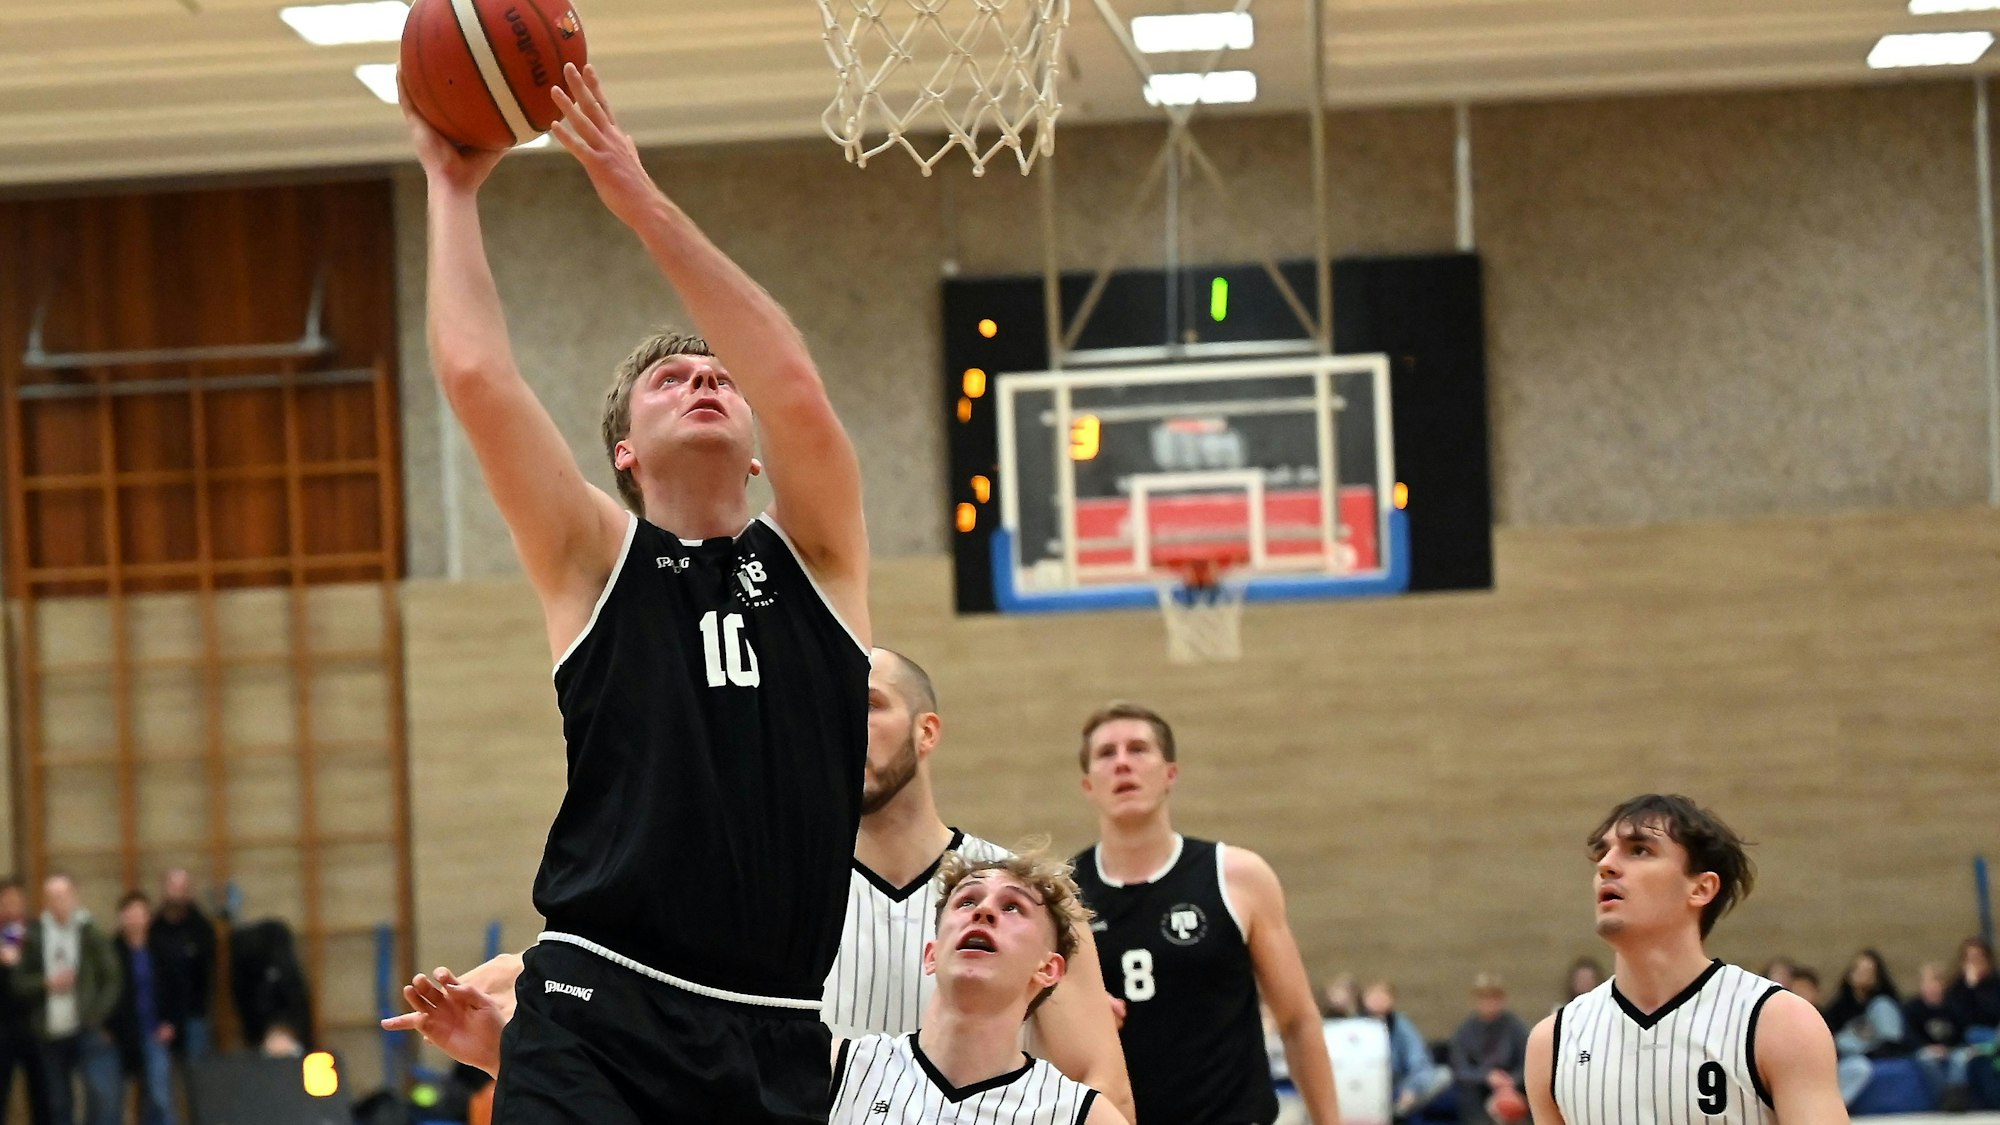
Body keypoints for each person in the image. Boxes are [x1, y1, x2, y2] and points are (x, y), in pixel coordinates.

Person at [406, 58, 872, 1123]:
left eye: (720, 378)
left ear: (758, 450)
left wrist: (637, 197)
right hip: (595, 1006)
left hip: (774, 1030)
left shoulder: (821, 560)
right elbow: (478, 379)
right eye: (672, 379)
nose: (705, 379)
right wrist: (449, 184)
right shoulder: (592, 559)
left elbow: (795, 384)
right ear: (623, 450)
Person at [386, 649, 1135, 1121]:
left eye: (870, 706)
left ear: (927, 730)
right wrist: (517, 1045)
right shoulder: (752, 883)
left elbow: (1103, 1085)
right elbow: (680, 1070)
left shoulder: (1022, 899)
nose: (842, 727)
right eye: (827, 711)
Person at [1070, 702, 1341, 1125]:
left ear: (1170, 774)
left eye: (1138, 749)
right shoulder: (1063, 896)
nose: (1122, 762)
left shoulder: (1237, 876)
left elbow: (1298, 1021)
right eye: (1107, 753)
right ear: (1088, 785)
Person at [1525, 794, 1847, 1125]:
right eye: (1602, 852)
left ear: (1701, 888)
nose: (1605, 864)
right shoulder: (1552, 1043)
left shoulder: (1779, 1023)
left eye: (1639, 850)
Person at [827, 851, 1127, 1125]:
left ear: (1048, 970)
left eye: (1012, 907)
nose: (983, 911)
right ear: (932, 955)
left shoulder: (1082, 1115)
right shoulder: (838, 1069)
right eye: (967, 901)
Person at [16, 875, 121, 1125]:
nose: (57, 903)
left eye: (62, 896)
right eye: (51, 898)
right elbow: (17, 982)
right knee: (58, 1101)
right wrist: (45, 983)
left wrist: (97, 1014)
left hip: (86, 1026)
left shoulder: (91, 932)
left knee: (100, 1093)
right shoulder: (32, 934)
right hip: (50, 1031)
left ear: (74, 897)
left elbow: (112, 978)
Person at [108, 893, 178, 1125]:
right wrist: (108, 1026)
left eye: (140, 913)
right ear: (121, 917)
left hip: (154, 1031)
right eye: (130, 913)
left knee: (159, 1096)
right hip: (122, 1035)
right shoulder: (112, 951)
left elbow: (176, 988)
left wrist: (170, 1022)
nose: (135, 919)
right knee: (116, 1099)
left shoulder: (160, 949)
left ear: (148, 917)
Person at [148, 870, 215, 1062]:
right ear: (164, 890)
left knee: (197, 1068)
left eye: (182, 888)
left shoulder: (202, 928)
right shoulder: (154, 928)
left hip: (193, 1013)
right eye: (173, 887)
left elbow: (204, 976)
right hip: (160, 1015)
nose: (177, 894)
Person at [0, 878, 51, 1122]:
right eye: (6, 900)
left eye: (16, 899)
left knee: (41, 1092)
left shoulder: (37, 932)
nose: (12, 904)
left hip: (34, 1023)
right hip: (3, 1025)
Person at [1825, 949, 1904, 1105]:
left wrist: (1868, 1051)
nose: (1862, 975)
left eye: (1868, 971)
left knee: (1860, 1067)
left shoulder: (1883, 1004)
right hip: (1843, 1056)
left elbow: (1892, 1042)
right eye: (1858, 970)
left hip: (1871, 1054)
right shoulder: (1839, 1006)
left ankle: (1835, 1106)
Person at [1363, 979, 1449, 1121]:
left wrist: (1412, 1088)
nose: (1378, 1000)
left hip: (1395, 1085)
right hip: (1363, 1085)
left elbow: (1419, 1061)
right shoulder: (1354, 1025)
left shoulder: (1401, 1025)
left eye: (1383, 995)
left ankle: (1397, 1113)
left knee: (1443, 1075)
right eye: (1373, 995)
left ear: (1392, 1000)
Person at [1448, 974, 1527, 1125]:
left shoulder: (1516, 1028)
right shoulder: (1465, 1031)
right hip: (1479, 1087)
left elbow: (1528, 1062)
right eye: (1484, 998)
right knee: (1466, 1094)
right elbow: (1459, 1068)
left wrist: (1511, 1080)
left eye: (1495, 998)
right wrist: (1486, 1076)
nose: (1490, 1003)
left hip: (1512, 1084)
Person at [1903, 962, 1968, 1107]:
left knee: (1960, 1059)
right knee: (1927, 1059)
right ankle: (1944, 1097)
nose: (1930, 987)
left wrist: (1948, 1047)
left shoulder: (1954, 1006)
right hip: (1924, 1048)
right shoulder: (1912, 1008)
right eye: (1926, 983)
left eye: (1934, 982)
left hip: (1951, 1048)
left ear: (1942, 985)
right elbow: (1909, 1036)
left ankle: (1957, 1096)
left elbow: (1961, 1032)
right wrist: (1928, 1047)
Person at [1948, 938, 2000, 1038]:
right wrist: (1970, 988)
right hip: (1969, 1034)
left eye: (1979, 958)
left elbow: (1994, 1013)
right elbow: (1960, 1018)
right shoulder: (1957, 987)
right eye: (1971, 959)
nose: (1975, 963)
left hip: (1994, 1030)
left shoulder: (1995, 984)